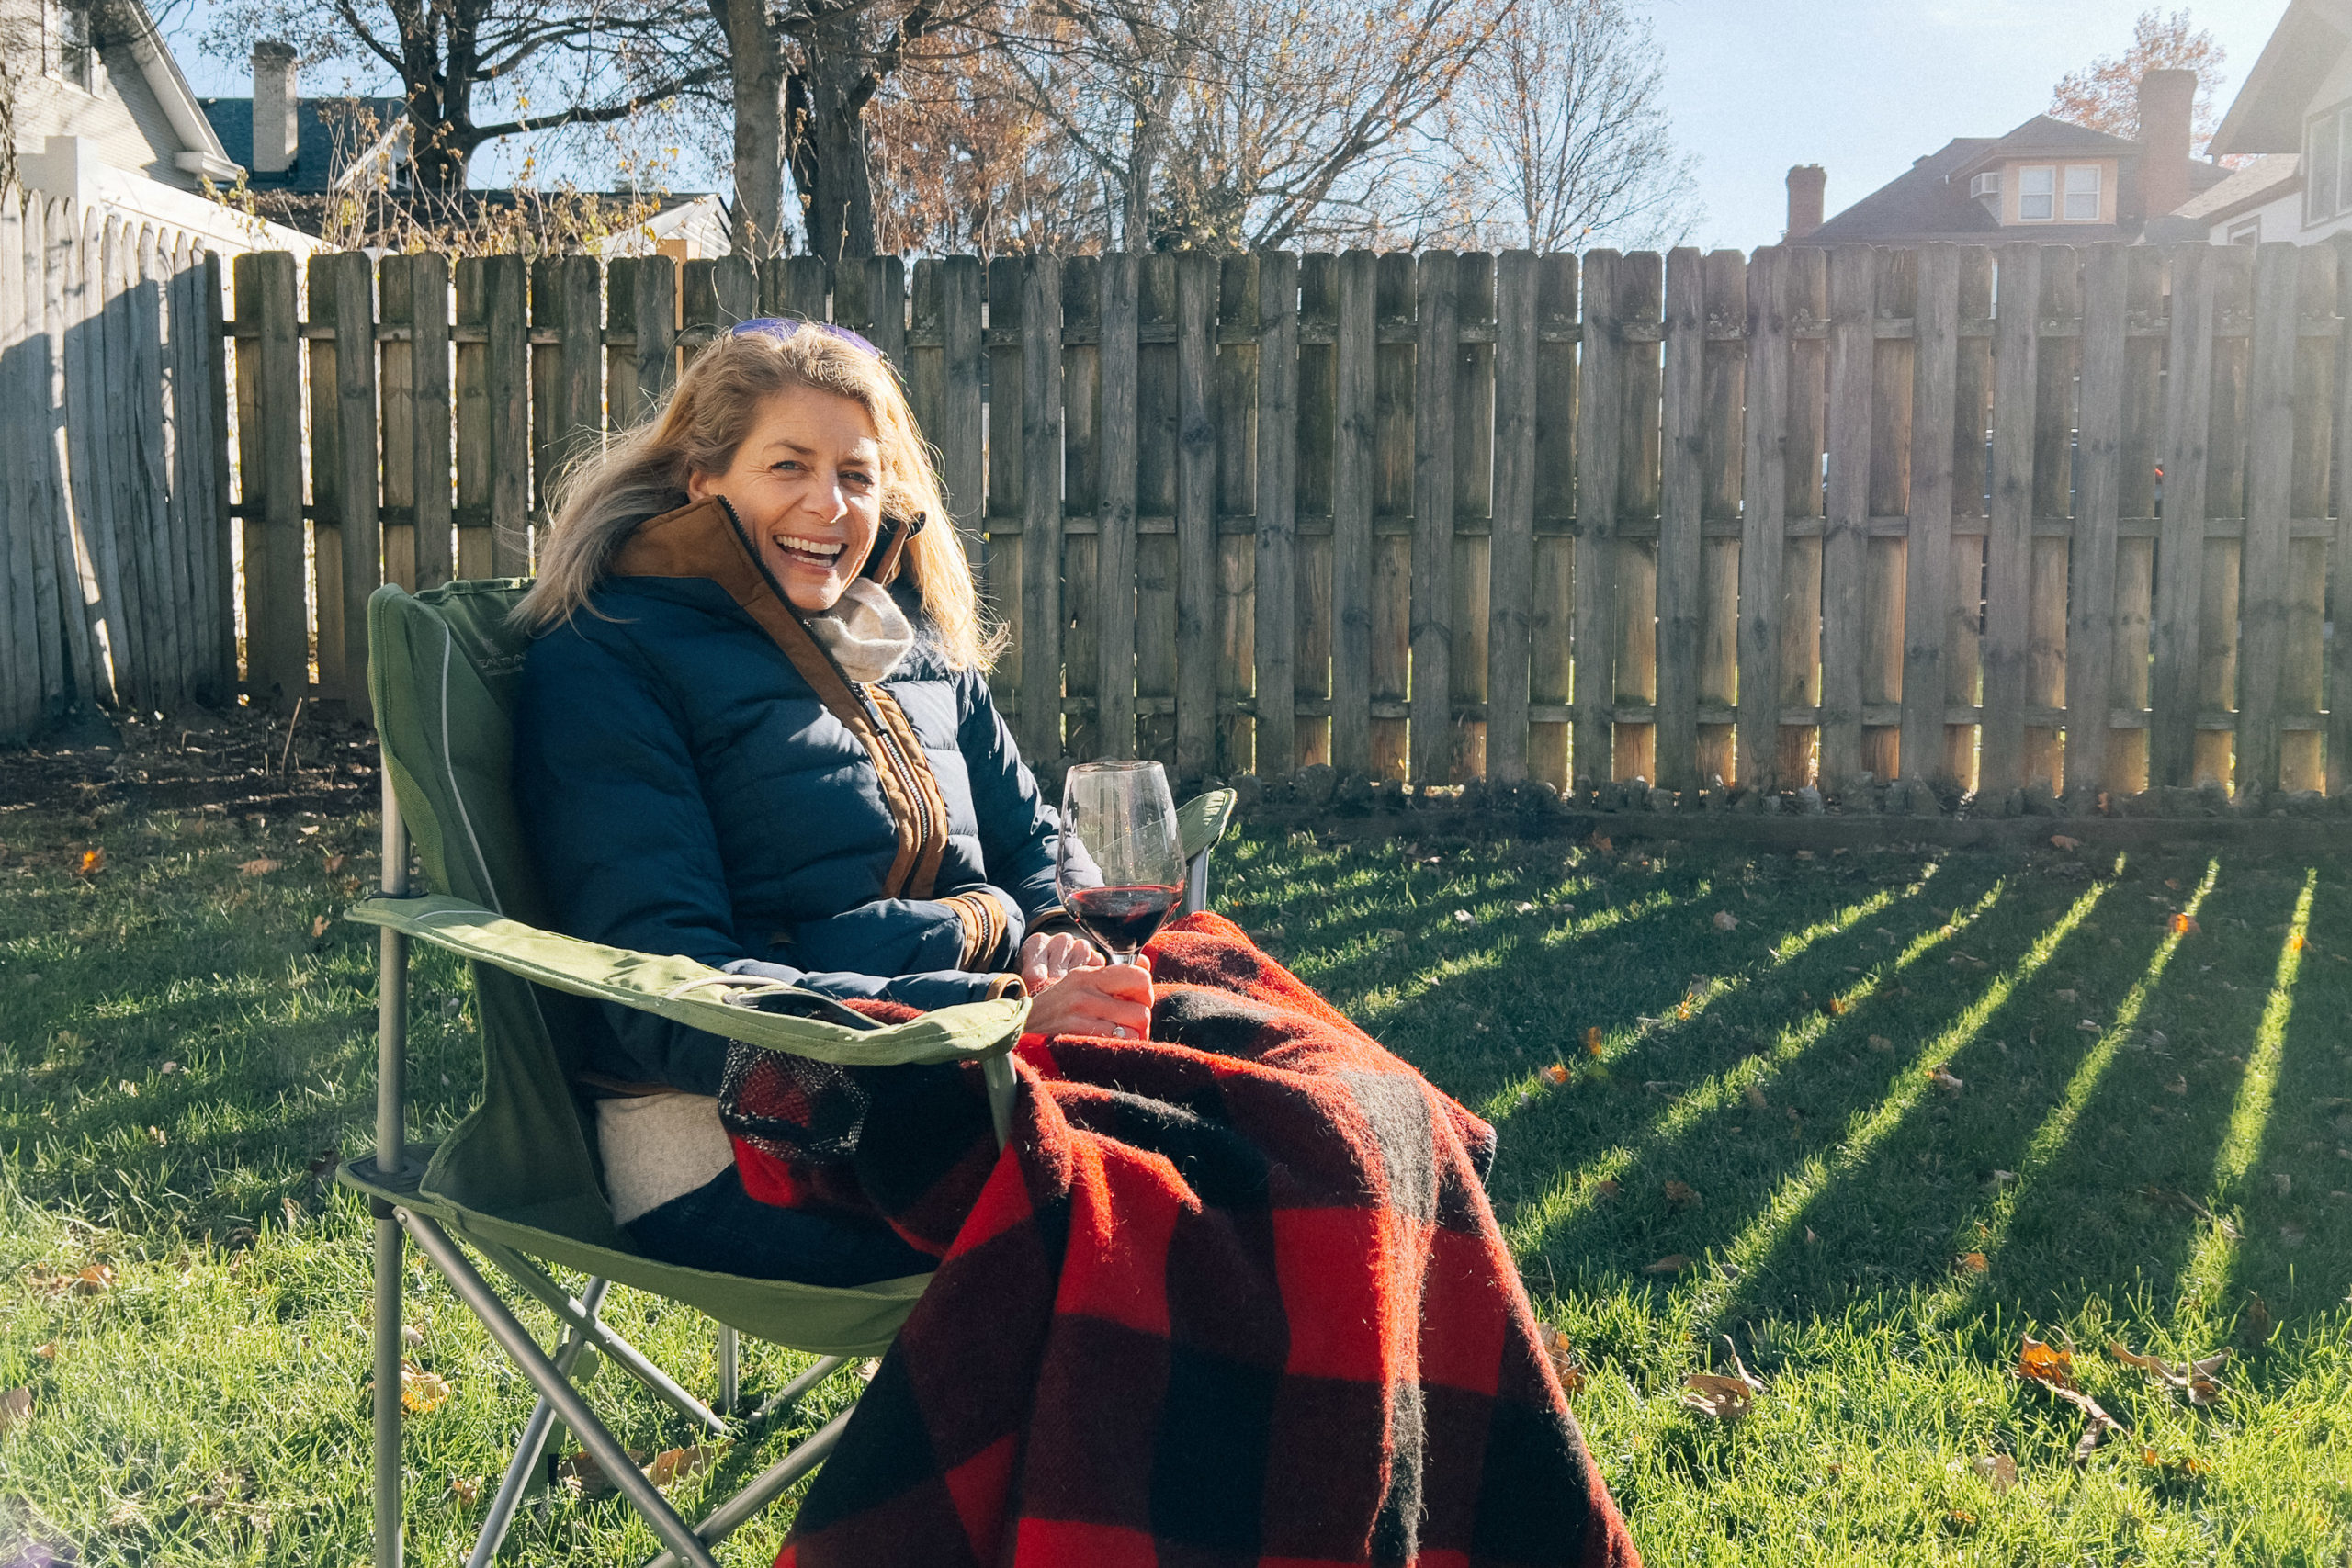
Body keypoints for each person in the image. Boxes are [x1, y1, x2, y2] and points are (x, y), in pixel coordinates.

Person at [510, 318, 1143, 1285]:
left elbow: (1035, 839)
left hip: (985, 1054)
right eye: (787, 466)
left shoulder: (912, 646)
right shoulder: (610, 657)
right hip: (762, 1121)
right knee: (1172, 1206)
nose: (829, 505)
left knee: (1324, 1106)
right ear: (703, 480)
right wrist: (988, 1015)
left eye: (855, 475)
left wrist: (1057, 926)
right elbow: (671, 989)